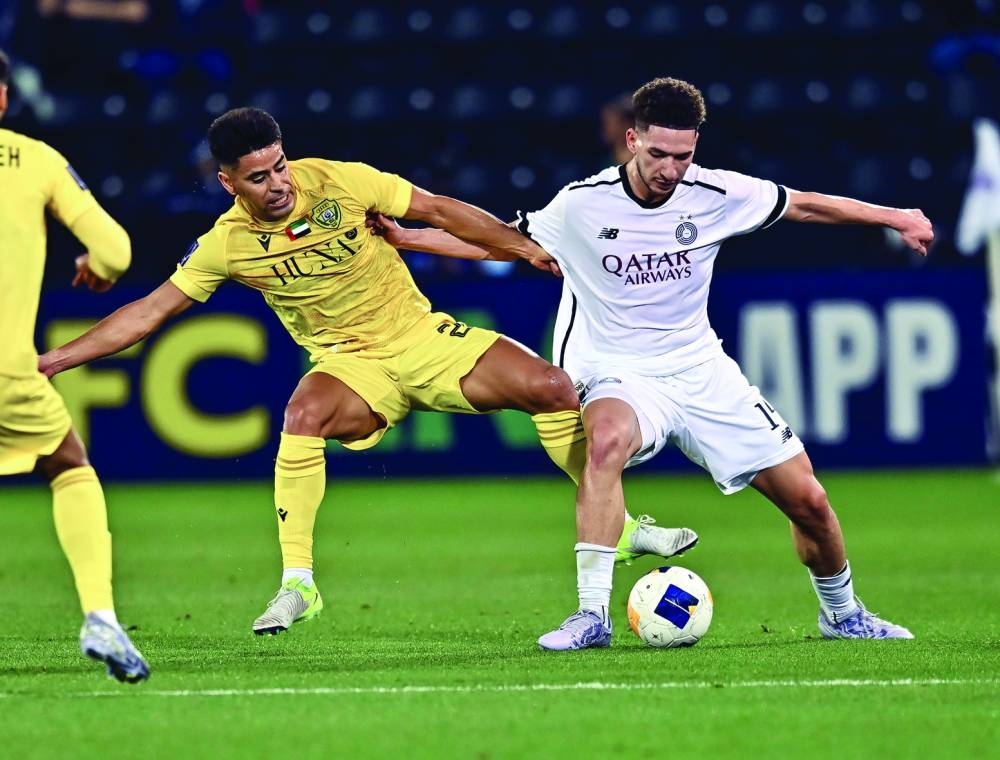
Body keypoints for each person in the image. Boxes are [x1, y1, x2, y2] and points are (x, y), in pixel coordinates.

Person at [38, 106, 696, 637]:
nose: (280, 184)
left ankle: (624, 527)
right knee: (303, 413)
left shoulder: (341, 181)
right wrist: (55, 360)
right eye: (260, 177)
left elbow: (436, 209)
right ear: (228, 182)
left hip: (423, 337)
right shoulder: (226, 245)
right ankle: (299, 583)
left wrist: (517, 244)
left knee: (553, 388)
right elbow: (149, 313)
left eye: (281, 166)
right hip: (352, 367)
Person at [368, 76, 932, 650]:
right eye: (658, 153)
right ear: (632, 140)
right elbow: (505, 242)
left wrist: (895, 216)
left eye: (683, 156)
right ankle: (592, 616)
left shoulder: (717, 195)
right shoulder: (583, 203)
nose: (670, 169)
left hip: (701, 368)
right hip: (618, 368)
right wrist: (411, 240)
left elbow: (807, 207)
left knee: (809, 501)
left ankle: (842, 614)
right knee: (606, 441)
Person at [0, 48, 149, 682]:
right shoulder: (33, 158)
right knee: (68, 463)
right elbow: (115, 249)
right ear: (4, 98)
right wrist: (99, 269)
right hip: (6, 368)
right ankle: (100, 618)